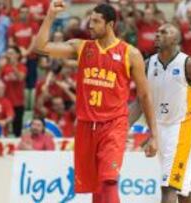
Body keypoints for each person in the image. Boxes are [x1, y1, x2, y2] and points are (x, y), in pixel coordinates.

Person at [34, 2, 158, 202]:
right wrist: (49, 17)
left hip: (114, 125)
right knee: (96, 186)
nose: (90, 25)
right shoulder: (81, 47)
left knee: (109, 180)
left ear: (110, 24)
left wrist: (153, 134)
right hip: (85, 125)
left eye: (96, 21)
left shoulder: (130, 54)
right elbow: (41, 48)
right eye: (90, 20)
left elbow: (144, 96)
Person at [129, 24, 191, 203]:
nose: (157, 34)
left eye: (164, 32)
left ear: (176, 40)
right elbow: (139, 102)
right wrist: (122, 126)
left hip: (182, 127)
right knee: (183, 191)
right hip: (160, 129)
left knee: (168, 187)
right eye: (156, 32)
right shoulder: (149, 64)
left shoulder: (189, 65)